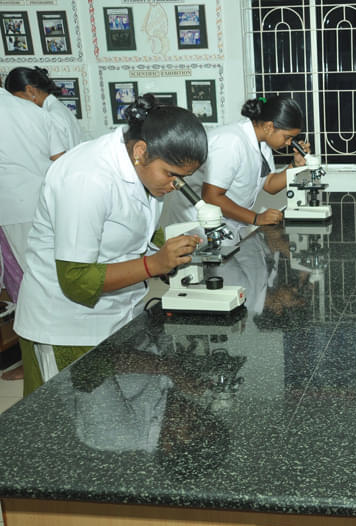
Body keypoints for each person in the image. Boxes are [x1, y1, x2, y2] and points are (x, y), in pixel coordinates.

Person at [13, 94, 208, 396]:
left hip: (115, 316)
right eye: (172, 175)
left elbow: (133, 229)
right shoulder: (86, 177)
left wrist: (172, 247)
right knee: (58, 429)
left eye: (182, 179)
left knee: (109, 423)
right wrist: (154, 265)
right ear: (141, 150)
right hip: (66, 325)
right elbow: (75, 280)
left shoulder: (141, 169)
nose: (174, 186)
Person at [161, 95, 309, 240]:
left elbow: (270, 185)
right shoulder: (231, 142)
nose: (289, 143)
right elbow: (211, 196)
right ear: (269, 127)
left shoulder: (262, 144)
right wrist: (256, 218)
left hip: (228, 221)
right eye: (287, 137)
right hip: (197, 221)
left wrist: (295, 165)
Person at [0, 76, 65, 381]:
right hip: (43, 204)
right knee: (44, 278)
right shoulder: (33, 110)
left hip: (12, 208)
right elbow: (61, 161)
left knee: (26, 286)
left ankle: (42, 364)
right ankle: (48, 360)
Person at [4, 66, 81, 150]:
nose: (19, 104)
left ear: (30, 90)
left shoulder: (51, 116)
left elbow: (57, 155)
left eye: (18, 99)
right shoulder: (58, 108)